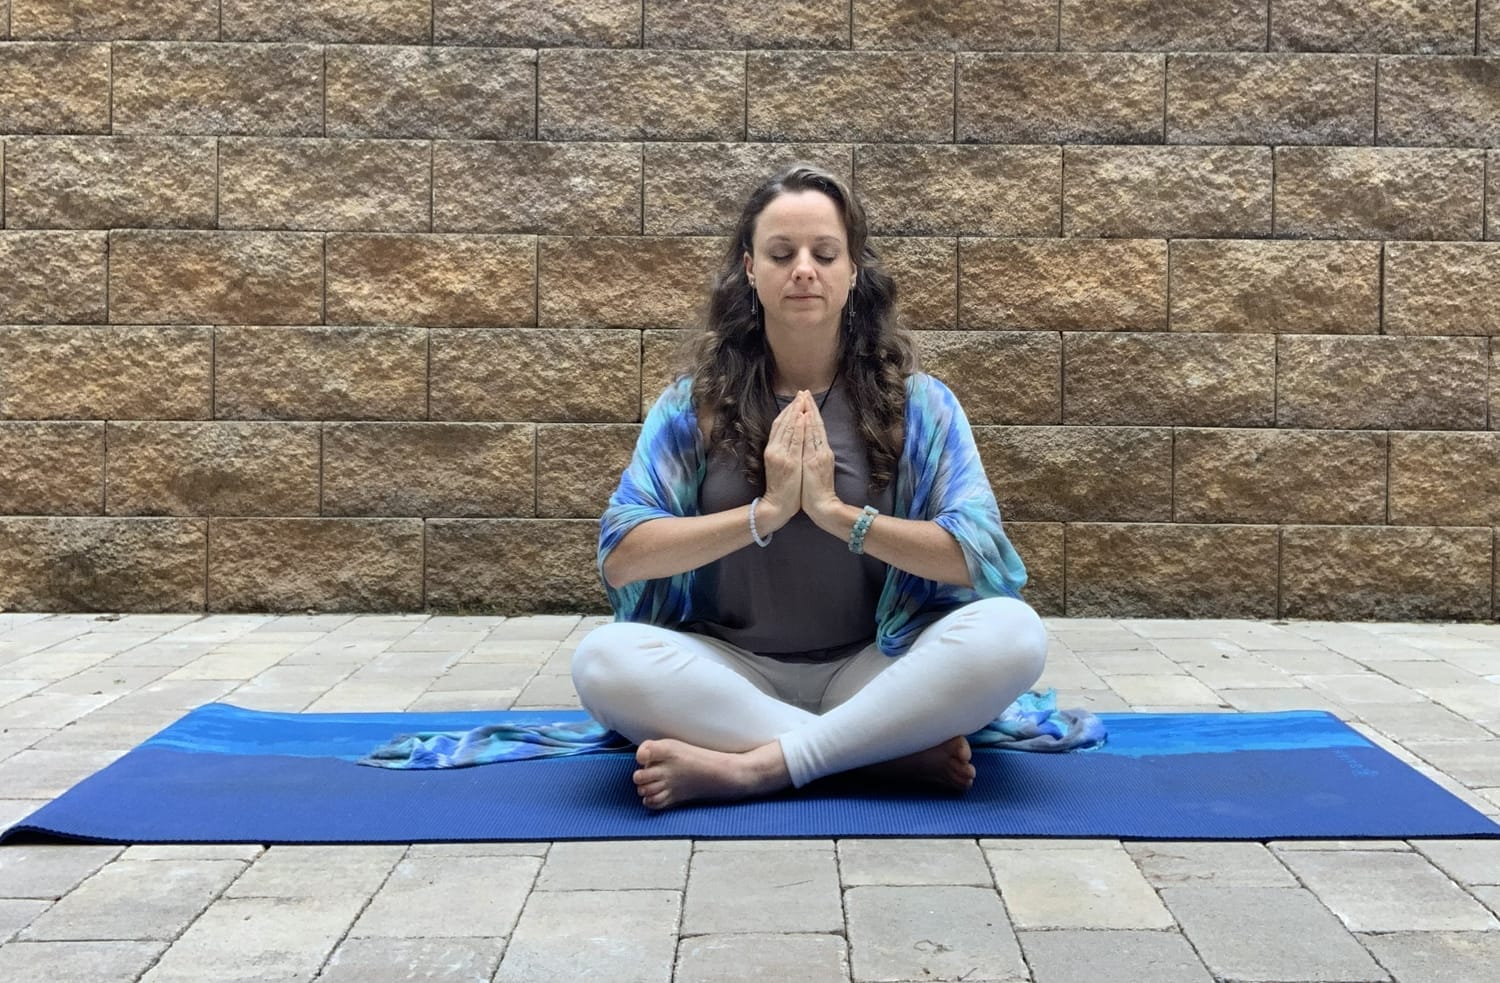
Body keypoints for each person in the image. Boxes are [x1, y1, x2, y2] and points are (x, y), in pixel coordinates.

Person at [571, 164, 1047, 810]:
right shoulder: (694, 407)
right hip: (731, 672)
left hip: (875, 666)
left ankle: (756, 768)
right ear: (749, 269)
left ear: (853, 272)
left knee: (1014, 633)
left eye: (824, 254)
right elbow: (623, 555)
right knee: (603, 660)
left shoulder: (920, 407)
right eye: (781, 253)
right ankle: (878, 756)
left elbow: (980, 557)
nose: (803, 270)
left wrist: (836, 514)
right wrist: (763, 514)